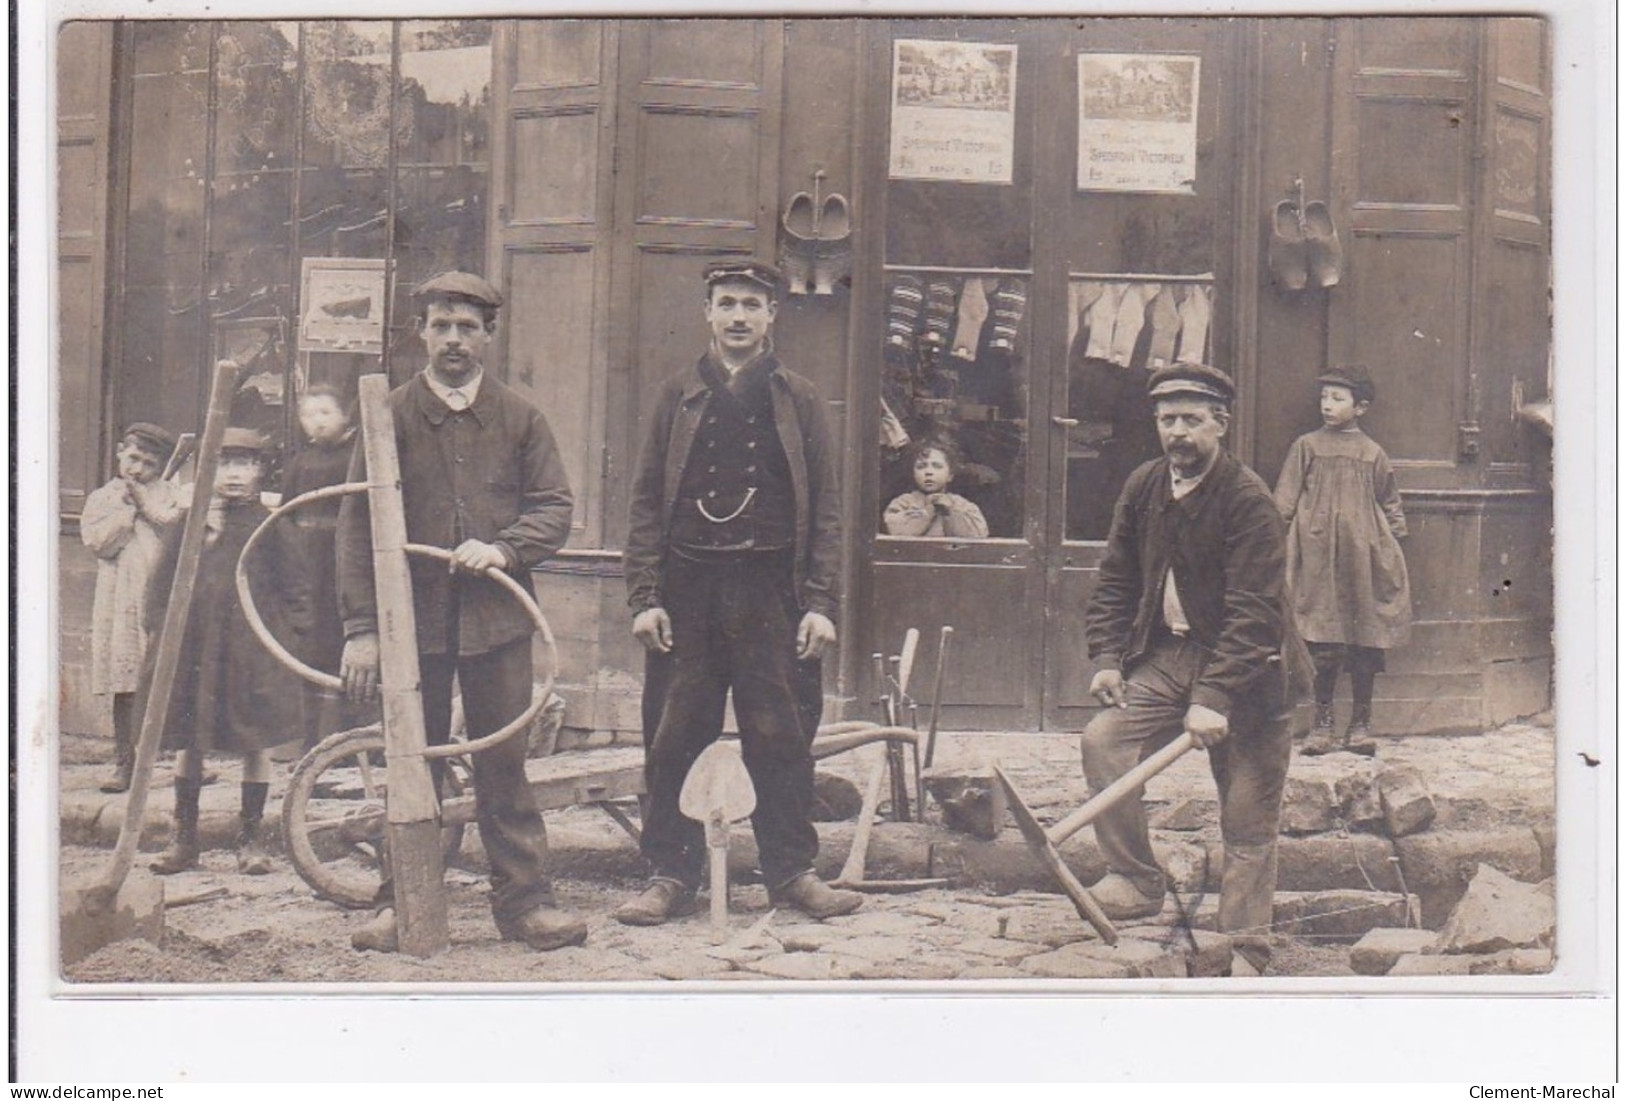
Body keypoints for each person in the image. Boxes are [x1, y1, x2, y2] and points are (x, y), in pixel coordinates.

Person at [336, 271, 587, 954]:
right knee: (413, 762)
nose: (453, 340)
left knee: (502, 759)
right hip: (407, 621)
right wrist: (362, 630)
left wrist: (505, 549)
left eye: (467, 327)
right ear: (421, 332)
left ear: (488, 337)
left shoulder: (519, 416)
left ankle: (526, 904)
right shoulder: (385, 414)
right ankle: (403, 901)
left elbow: (555, 508)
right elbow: (355, 525)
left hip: (496, 623)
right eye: (441, 325)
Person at [617, 258, 859, 926]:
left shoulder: (798, 397)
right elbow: (642, 503)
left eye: (751, 305)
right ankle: (670, 872)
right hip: (687, 593)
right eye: (726, 303)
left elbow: (829, 509)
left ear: (772, 315)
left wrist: (820, 603)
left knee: (780, 734)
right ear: (707, 312)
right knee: (673, 737)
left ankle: (792, 872)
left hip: (770, 593)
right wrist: (644, 596)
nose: (738, 318)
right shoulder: (676, 395)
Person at [1080, 362, 1301, 974]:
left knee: (1246, 812)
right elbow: (1115, 576)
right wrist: (1106, 657)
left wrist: (1216, 697)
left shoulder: (1248, 500)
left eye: (1191, 420)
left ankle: (1244, 941)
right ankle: (1134, 877)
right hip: (1169, 656)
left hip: (1251, 671)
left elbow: (1255, 614)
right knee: (1104, 741)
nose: (1177, 433)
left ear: (1220, 424)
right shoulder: (1145, 485)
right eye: (1166, 420)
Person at [145, 427, 311, 876]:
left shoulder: (271, 524)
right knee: (191, 739)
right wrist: (159, 632)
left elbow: (297, 588)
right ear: (206, 470)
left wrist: (289, 641)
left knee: (254, 741)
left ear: (259, 471)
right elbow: (160, 583)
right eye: (223, 464)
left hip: (251, 648)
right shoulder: (191, 521)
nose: (234, 474)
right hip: (196, 647)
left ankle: (251, 839)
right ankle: (184, 839)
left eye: (244, 464)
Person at [1273, 364, 1411, 757]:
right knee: (1323, 641)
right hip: (1316, 556)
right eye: (1323, 398)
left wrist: (1393, 539)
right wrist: (1276, 539)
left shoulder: (1372, 453)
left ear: (1360, 407)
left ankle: (1361, 723)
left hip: (1364, 556)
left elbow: (1389, 499)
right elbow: (1284, 498)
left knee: (1366, 641)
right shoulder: (1307, 446)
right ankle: (1322, 722)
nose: (1327, 405)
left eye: (1337, 398)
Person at [80, 422, 186, 793]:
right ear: (120, 453)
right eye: (134, 459)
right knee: (127, 686)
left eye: (149, 465)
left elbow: (177, 535)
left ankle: (178, 763)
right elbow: (99, 543)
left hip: (160, 595)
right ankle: (124, 763)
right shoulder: (103, 498)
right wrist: (128, 512)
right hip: (121, 601)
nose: (138, 470)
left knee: (166, 678)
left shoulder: (171, 495)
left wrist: (149, 505)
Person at [278, 383, 371, 757]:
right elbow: (286, 512)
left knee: (347, 649)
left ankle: (353, 738)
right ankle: (312, 738)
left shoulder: (356, 456)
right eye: (307, 415)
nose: (315, 422)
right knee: (310, 647)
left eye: (325, 413)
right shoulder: (300, 461)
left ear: (345, 416)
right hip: (307, 566)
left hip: (344, 562)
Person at [882, 437, 989, 538]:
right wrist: (928, 512)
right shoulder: (903, 503)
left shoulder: (963, 505)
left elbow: (978, 534)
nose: (929, 472)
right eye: (921, 467)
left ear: (950, 475)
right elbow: (896, 531)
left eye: (937, 466)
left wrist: (950, 510)